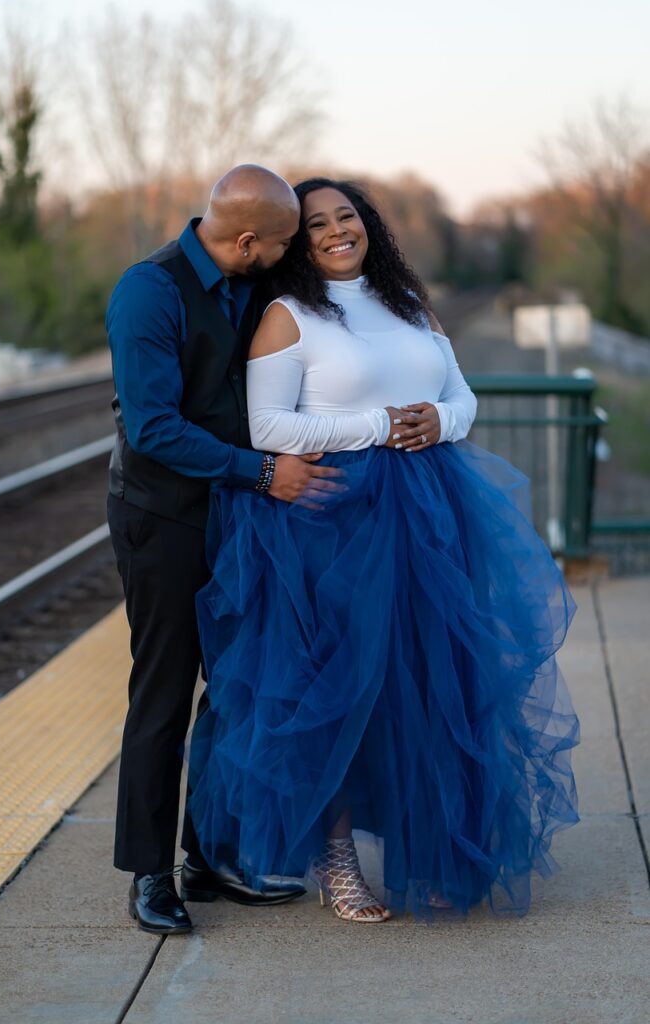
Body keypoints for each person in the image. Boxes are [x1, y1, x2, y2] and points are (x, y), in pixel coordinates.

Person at [187, 177, 580, 923]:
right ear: (295, 243)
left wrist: (435, 418)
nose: (337, 231)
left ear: (368, 225)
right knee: (343, 692)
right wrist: (376, 427)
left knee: (433, 685)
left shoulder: (409, 305)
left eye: (348, 217)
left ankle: (427, 848)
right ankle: (338, 863)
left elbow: (465, 400)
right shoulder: (286, 315)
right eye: (316, 225)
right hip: (335, 524)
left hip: (433, 515)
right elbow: (266, 428)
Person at [106, 165, 348, 936]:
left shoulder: (253, 286)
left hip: (242, 518)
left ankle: (207, 859)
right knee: (165, 692)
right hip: (164, 518)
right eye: (281, 244)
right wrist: (265, 470)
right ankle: (150, 873)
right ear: (247, 241)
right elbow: (152, 428)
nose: (289, 257)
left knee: (236, 689)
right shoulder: (148, 291)